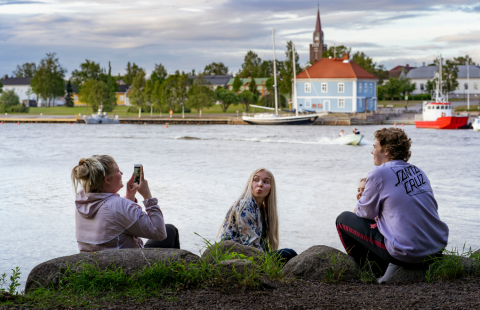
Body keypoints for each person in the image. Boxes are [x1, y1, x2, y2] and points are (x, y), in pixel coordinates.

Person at [335, 128, 448, 283]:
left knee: (343, 219)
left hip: (407, 253)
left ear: (386, 151)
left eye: (374, 147)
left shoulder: (378, 173)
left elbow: (364, 213)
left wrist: (362, 207)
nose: (372, 151)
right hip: (435, 249)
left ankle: (368, 273)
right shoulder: (419, 171)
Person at [72, 155, 179, 252]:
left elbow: (113, 219)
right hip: (124, 265)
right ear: (107, 180)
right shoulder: (118, 205)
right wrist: (147, 196)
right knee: (169, 230)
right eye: (118, 171)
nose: (121, 173)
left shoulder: (81, 202)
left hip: (94, 262)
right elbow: (159, 232)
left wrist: (129, 196)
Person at [217, 168, 297, 263]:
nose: (260, 184)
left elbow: (260, 247)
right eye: (256, 180)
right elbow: (251, 248)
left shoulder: (263, 210)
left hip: (249, 256)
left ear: (271, 188)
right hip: (234, 258)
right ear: (249, 183)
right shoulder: (246, 206)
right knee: (289, 253)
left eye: (265, 182)